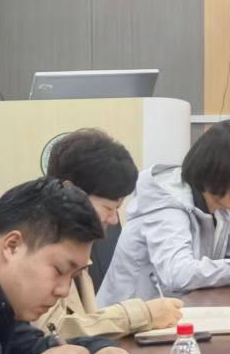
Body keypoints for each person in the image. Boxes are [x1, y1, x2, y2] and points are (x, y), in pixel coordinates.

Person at [0, 179, 142, 354]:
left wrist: (97, 351)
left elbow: (25, 346)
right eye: (59, 270)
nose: (64, 291)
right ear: (13, 245)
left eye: (72, 277)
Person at [97, 120, 230, 304]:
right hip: (129, 325)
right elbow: (178, 274)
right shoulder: (168, 209)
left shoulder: (218, 206)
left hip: (178, 314)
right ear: (216, 167)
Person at [32, 129, 183, 338]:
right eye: (108, 208)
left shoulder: (77, 241)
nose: (113, 220)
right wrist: (142, 314)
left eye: (117, 209)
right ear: (70, 191)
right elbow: (51, 332)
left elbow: (86, 326)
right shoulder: (37, 243)